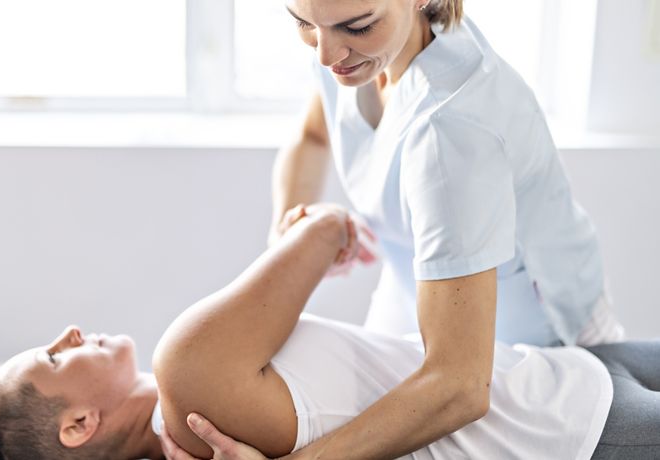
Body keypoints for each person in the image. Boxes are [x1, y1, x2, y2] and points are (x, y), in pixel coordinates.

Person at [161, 0, 626, 457]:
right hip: (417, 292)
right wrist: (290, 238)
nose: (324, 54)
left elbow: (460, 385)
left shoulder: (450, 129)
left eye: (357, 26)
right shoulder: (349, 49)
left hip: (539, 332)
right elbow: (314, 136)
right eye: (303, 23)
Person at [0, 205, 659, 460]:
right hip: (574, 429)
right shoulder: (186, 365)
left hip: (560, 376)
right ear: (78, 425)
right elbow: (328, 230)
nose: (70, 332)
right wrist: (306, 232)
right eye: (52, 354)